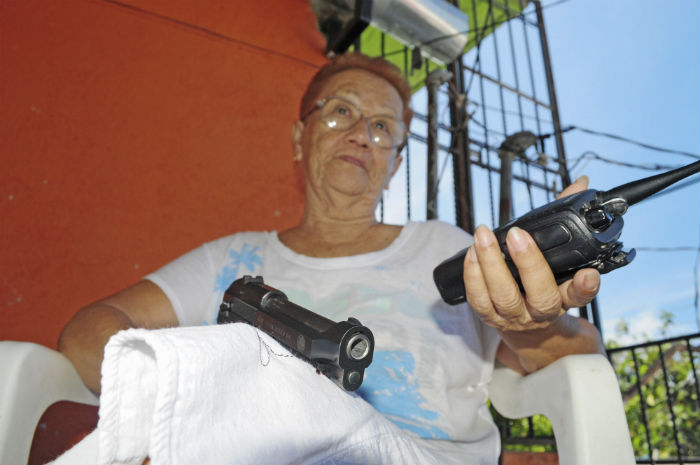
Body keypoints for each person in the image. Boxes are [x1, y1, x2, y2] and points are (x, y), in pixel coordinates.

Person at [58, 52, 604, 460]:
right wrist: (192, 398)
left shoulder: (445, 249)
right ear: (300, 138)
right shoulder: (230, 260)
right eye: (341, 111)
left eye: (383, 127)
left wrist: (529, 322)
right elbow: (89, 333)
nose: (363, 135)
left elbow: (578, 363)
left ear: (393, 164)